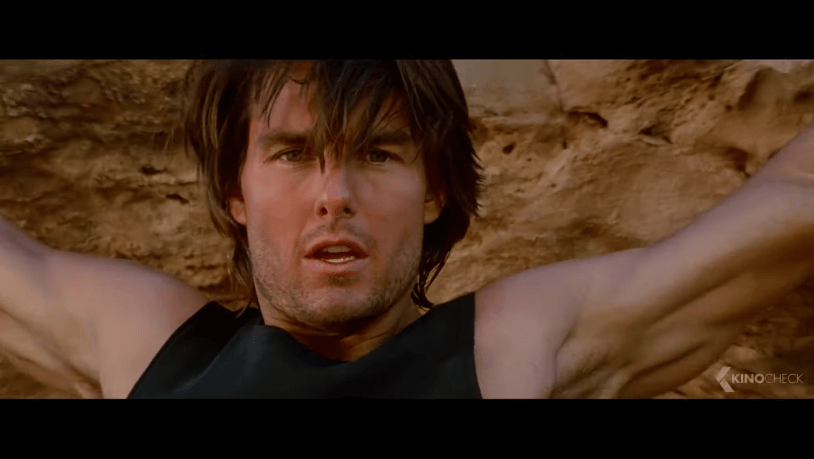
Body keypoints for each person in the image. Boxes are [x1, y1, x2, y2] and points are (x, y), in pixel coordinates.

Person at [1, 59, 813, 398]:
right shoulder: (160, 352)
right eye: (292, 153)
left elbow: (793, 202)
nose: (334, 195)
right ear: (234, 191)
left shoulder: (505, 349)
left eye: (378, 152)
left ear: (435, 189)